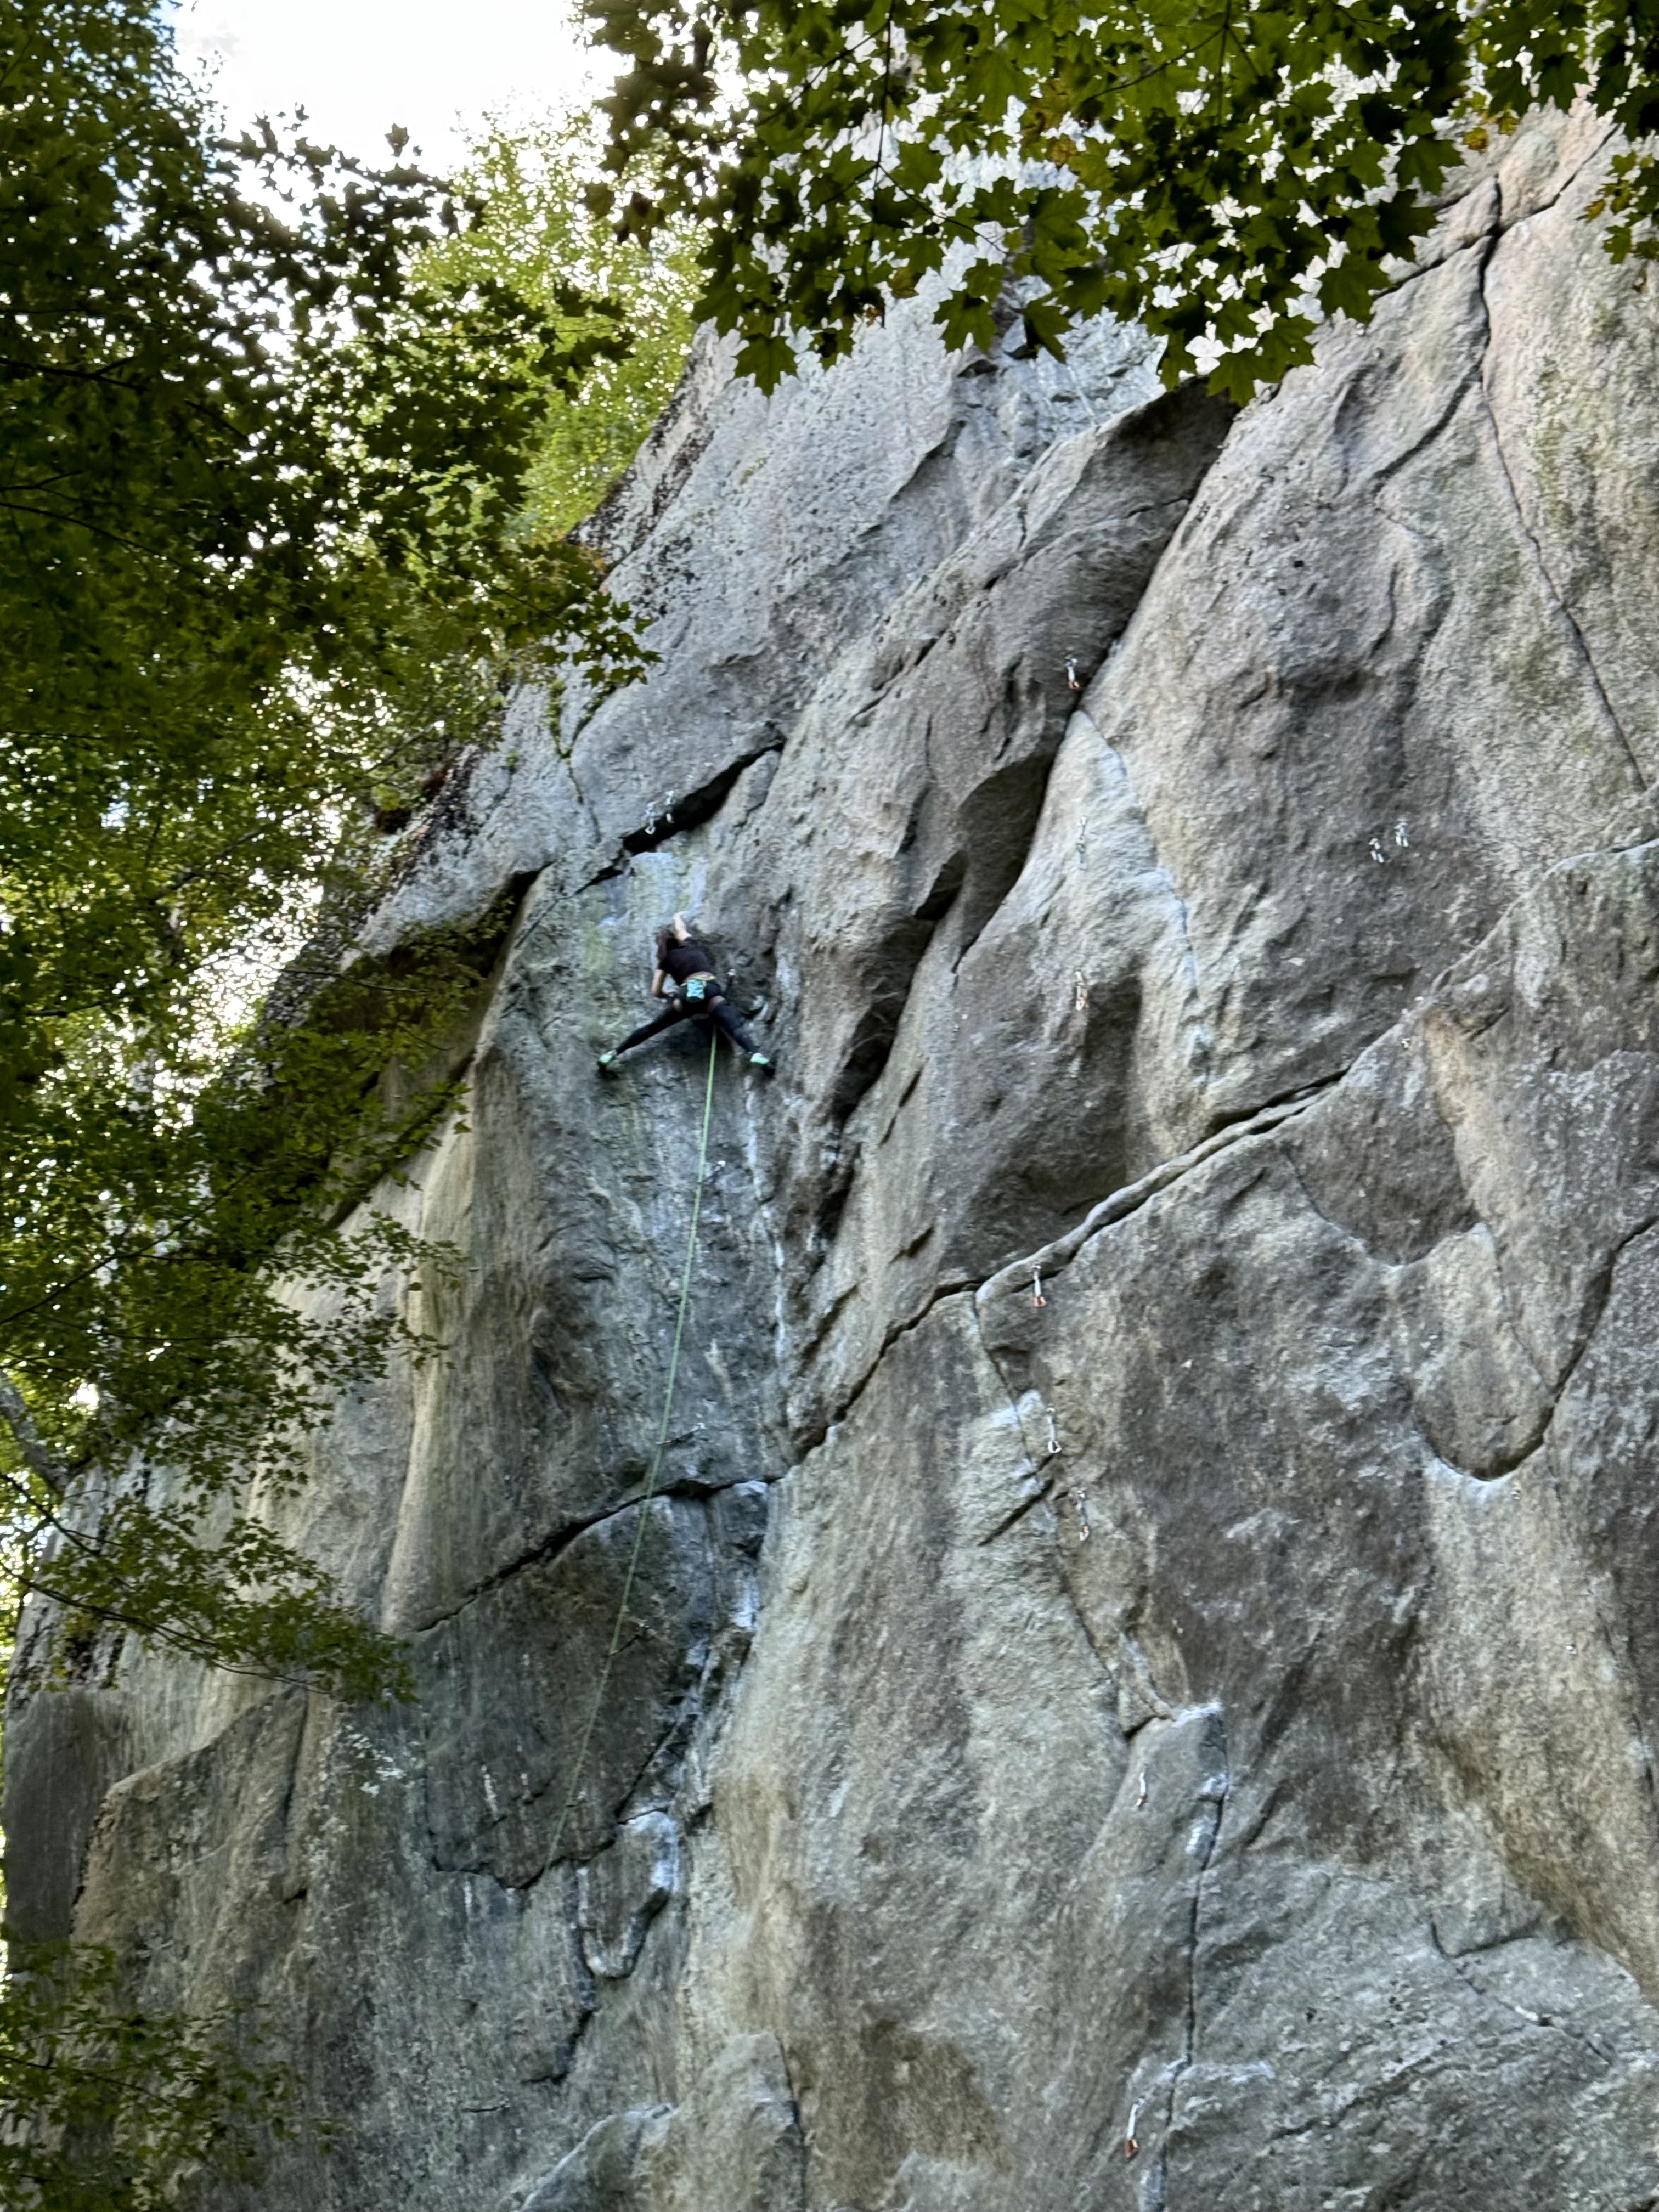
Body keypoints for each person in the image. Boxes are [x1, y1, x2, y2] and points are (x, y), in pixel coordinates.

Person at [597, 913, 773, 1073]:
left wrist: (669, 996)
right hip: (709, 990)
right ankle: (754, 1053)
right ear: (676, 940)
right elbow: (681, 929)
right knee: (734, 1028)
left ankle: (614, 1052)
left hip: (686, 997)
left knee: (653, 1028)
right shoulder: (691, 945)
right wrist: (677, 917)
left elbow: (655, 991)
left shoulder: (665, 961)